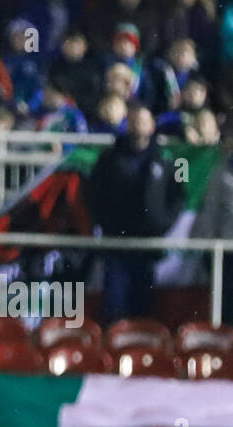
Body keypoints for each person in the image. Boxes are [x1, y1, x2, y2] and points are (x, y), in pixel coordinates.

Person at [88, 103, 186, 322]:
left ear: (152, 125)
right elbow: (94, 192)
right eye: (133, 121)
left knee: (143, 308)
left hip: (148, 245)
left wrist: (162, 222)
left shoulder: (168, 159)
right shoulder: (109, 158)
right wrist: (104, 221)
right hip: (116, 244)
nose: (138, 126)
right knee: (115, 306)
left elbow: (180, 194)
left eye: (143, 121)